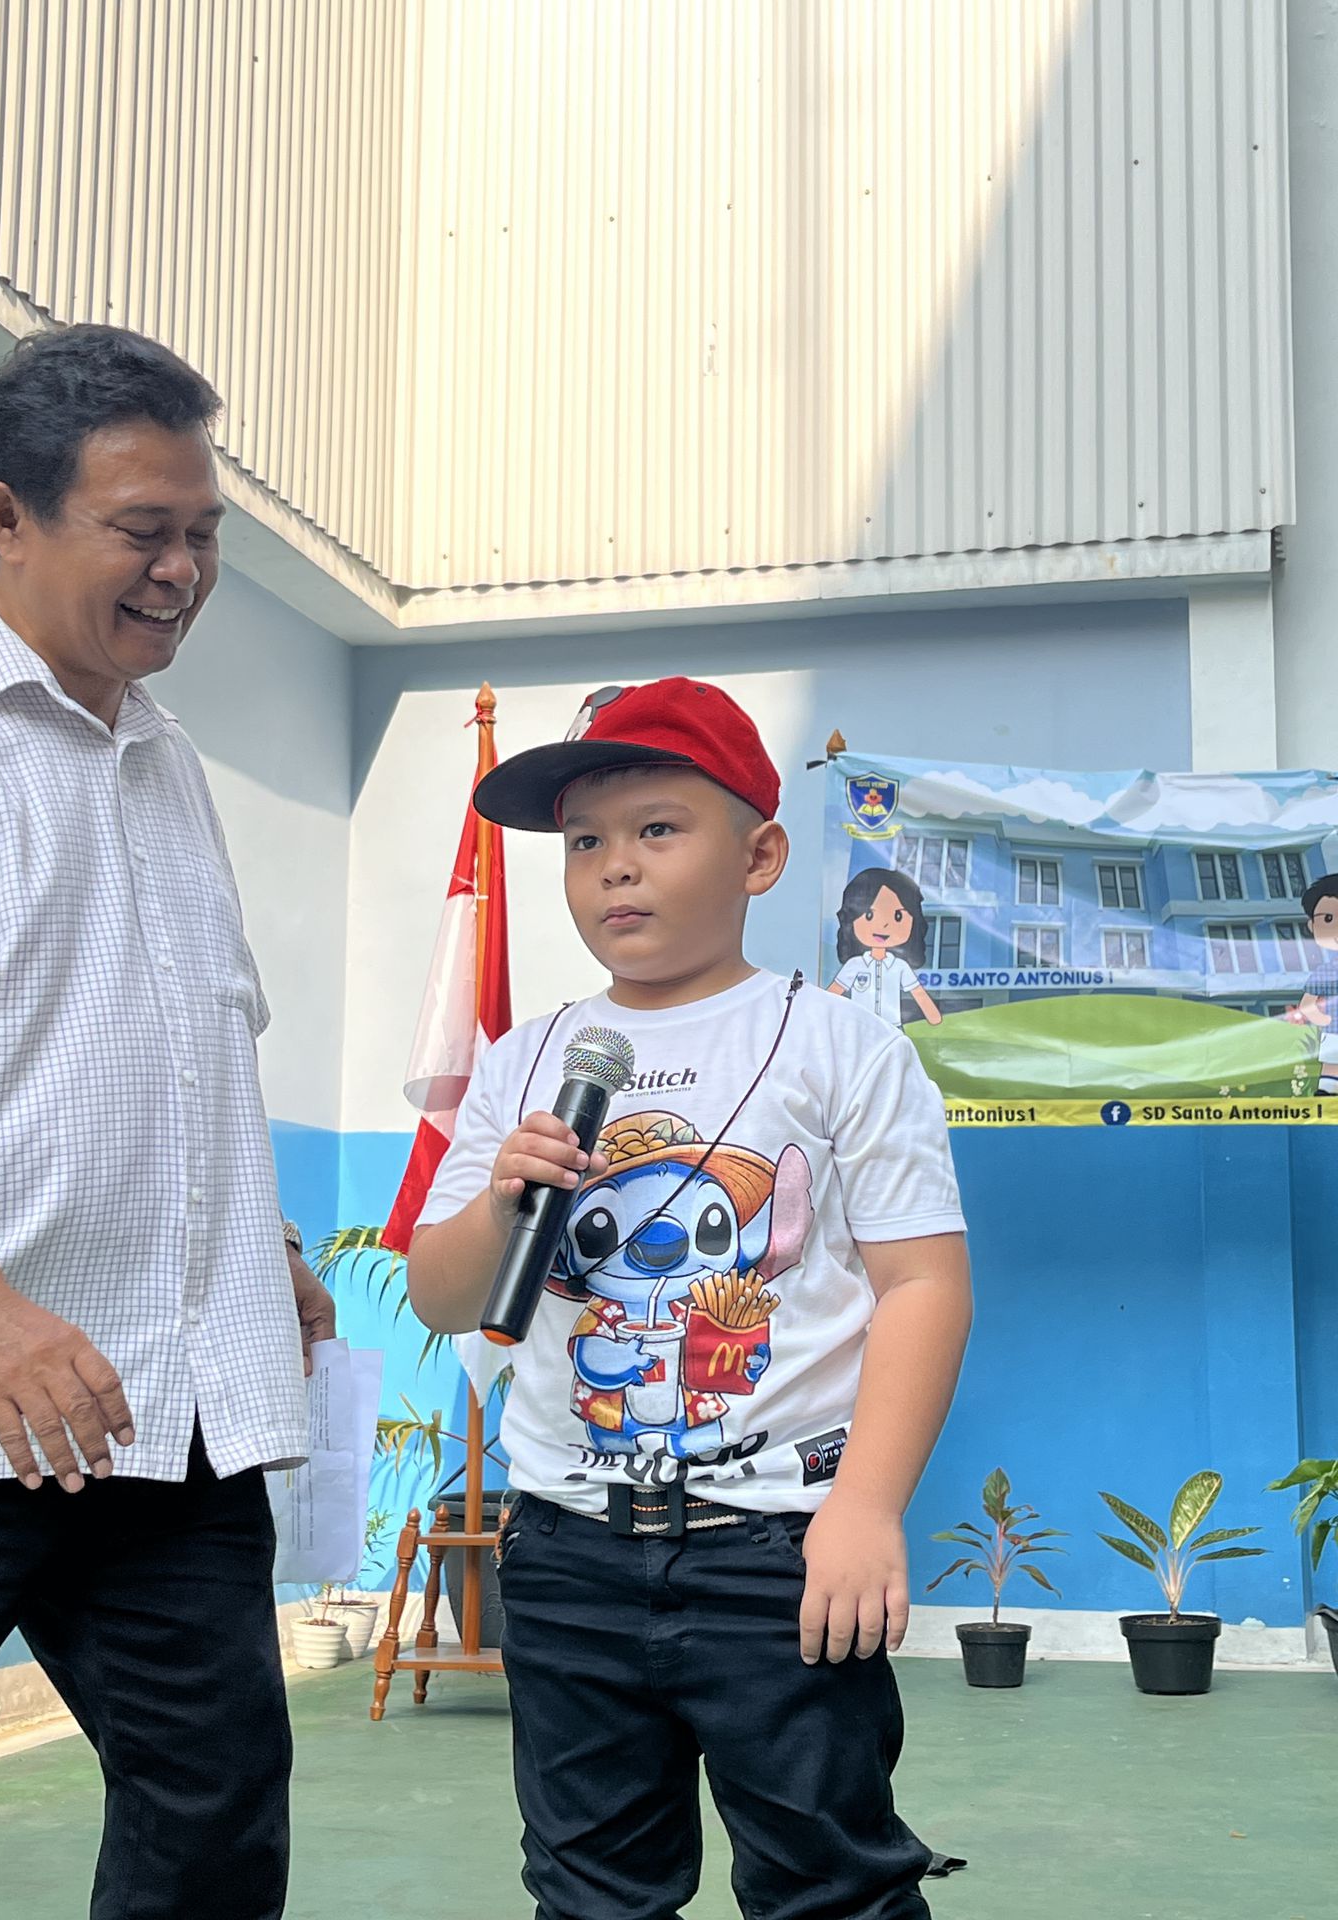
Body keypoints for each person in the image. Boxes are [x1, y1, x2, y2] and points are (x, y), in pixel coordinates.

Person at [407, 676, 972, 1920]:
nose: (616, 867)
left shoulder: (842, 1046)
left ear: (759, 856)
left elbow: (924, 1284)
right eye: (585, 843)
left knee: (830, 1882)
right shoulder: (526, 1060)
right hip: (566, 1550)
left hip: (778, 1549)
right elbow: (442, 1298)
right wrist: (502, 1203)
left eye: (657, 829)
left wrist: (865, 1508)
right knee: (591, 1890)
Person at [0, 325, 334, 1920]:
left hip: (162, 1415)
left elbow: (168, 1045)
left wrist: (256, 1243)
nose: (183, 573)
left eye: (203, 534)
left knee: (213, 1810)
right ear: (5, 518)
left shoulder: (163, 759)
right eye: (144, 531)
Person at [830, 865, 943, 1027]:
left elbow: (918, 992)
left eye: (898, 916)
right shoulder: (854, 965)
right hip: (861, 1027)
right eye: (869, 915)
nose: (884, 925)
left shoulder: (900, 966)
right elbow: (834, 992)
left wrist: (933, 1015)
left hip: (892, 1028)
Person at [1286, 871, 1338, 1093]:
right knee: (1332, 1065)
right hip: (1335, 1032)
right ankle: (1326, 1090)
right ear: (1312, 926)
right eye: (1328, 919)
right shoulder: (1325, 972)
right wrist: (1321, 1018)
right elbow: (1308, 1003)